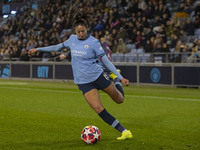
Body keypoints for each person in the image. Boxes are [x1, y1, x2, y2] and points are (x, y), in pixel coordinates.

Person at [28, 8, 132, 140]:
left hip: (98, 76)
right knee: (98, 109)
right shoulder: (72, 40)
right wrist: (38, 49)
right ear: (74, 32)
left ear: (87, 28)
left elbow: (106, 61)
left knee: (119, 100)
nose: (81, 34)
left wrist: (121, 78)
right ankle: (124, 131)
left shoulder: (94, 42)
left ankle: (115, 79)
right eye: (78, 32)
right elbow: (57, 47)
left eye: (83, 31)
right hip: (84, 82)